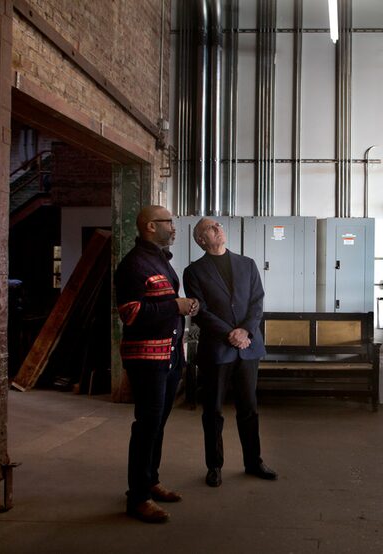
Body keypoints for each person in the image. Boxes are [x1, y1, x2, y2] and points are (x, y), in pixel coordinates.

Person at [114, 205, 199, 523]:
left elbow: (162, 303)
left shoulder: (159, 261)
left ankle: (151, 481)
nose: (174, 228)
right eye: (168, 223)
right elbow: (131, 314)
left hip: (169, 354)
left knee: (157, 425)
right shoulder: (133, 265)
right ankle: (137, 498)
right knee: (146, 426)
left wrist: (185, 306)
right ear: (150, 226)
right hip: (147, 358)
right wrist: (173, 305)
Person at [183, 217, 277, 488]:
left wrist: (245, 331)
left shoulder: (247, 264)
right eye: (211, 228)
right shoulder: (194, 271)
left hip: (247, 348)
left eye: (219, 225)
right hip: (218, 350)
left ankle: (253, 462)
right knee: (212, 411)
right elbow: (201, 311)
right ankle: (214, 466)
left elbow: (257, 301)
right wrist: (229, 334)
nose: (218, 228)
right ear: (201, 239)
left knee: (249, 409)